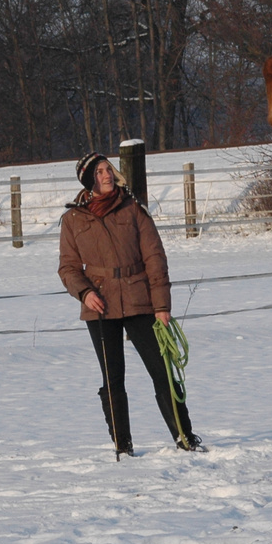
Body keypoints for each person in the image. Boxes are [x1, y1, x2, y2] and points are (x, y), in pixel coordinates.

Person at [58, 151, 202, 454]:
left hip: (139, 299)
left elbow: (155, 258)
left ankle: (185, 437)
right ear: (88, 180)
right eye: (99, 172)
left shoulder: (133, 210)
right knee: (112, 379)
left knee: (162, 370)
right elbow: (68, 268)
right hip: (100, 306)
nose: (107, 175)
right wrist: (85, 293)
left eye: (108, 169)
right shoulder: (72, 220)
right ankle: (122, 446)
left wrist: (161, 306)